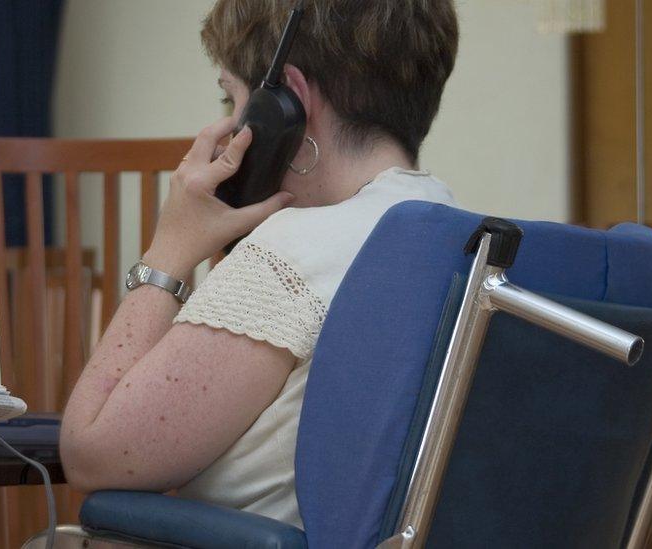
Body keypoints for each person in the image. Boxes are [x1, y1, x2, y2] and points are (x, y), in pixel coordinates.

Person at [60, 0, 459, 529]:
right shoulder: (461, 236)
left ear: (286, 103)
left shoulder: (297, 249)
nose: (229, 127)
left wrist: (169, 251)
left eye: (233, 98)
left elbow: (92, 454)